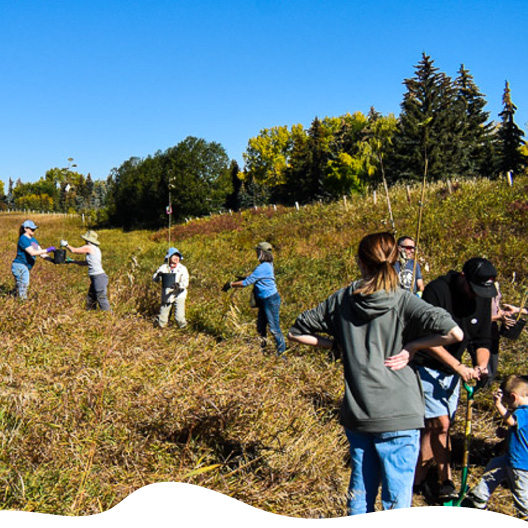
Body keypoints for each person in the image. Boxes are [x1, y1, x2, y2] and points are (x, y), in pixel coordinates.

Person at [287, 232, 464, 515]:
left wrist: (336, 345)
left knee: (360, 494)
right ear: (396, 260)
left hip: (359, 412)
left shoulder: (342, 299)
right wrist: (413, 346)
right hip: (400, 412)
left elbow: (296, 332)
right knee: (397, 504)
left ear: (360, 262)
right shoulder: (404, 300)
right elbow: (454, 332)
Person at [413, 257, 496, 502]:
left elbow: (482, 340)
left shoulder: (482, 295)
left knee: (434, 427)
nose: (476, 295)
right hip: (426, 366)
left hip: (454, 373)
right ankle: (445, 480)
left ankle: (417, 479)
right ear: (462, 277)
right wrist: (458, 366)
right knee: (441, 425)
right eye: (474, 289)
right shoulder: (437, 291)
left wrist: (480, 365)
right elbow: (425, 341)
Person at [462, 374, 528, 518]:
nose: (508, 407)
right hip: (510, 458)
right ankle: (480, 496)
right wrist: (507, 433)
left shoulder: (523, 411)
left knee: (521, 492)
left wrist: (499, 405)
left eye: (507, 403)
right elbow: (521, 432)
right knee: (495, 465)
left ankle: (525, 515)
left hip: (520, 464)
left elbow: (512, 422)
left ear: (514, 397)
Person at [222, 242, 286, 356]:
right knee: (261, 327)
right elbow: (258, 278)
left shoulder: (264, 266)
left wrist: (230, 284)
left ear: (262, 253)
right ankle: (262, 350)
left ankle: (282, 354)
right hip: (265, 300)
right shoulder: (268, 264)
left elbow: (247, 283)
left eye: (257, 251)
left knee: (274, 328)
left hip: (269, 300)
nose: (256, 254)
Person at [61, 231, 111, 311]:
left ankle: (109, 316)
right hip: (97, 277)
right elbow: (86, 263)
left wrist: (66, 245)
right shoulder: (95, 249)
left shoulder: (89, 247)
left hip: (98, 277)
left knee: (101, 298)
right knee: (91, 298)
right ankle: (90, 314)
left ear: (88, 240)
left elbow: (74, 250)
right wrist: (73, 261)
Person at [11, 219, 55, 300]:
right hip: (20, 266)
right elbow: (32, 253)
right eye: (32, 229)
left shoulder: (33, 240)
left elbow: (40, 253)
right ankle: (22, 303)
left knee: (20, 286)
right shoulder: (23, 239)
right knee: (24, 285)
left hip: (25, 267)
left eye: (34, 229)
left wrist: (52, 260)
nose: (34, 230)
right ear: (26, 229)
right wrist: (48, 249)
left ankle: (16, 300)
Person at [152, 247, 189, 328]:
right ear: (169, 257)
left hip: (179, 294)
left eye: (178, 256)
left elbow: (185, 282)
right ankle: (160, 331)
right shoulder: (163, 267)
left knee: (179, 317)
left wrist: (179, 286)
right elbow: (155, 279)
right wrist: (158, 275)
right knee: (162, 319)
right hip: (167, 294)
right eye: (174, 256)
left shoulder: (183, 268)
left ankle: (184, 329)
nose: (176, 258)